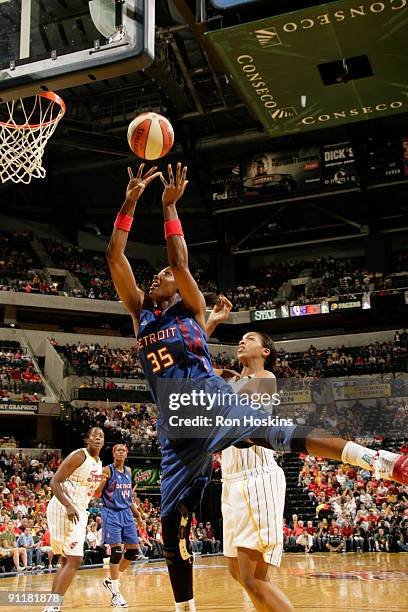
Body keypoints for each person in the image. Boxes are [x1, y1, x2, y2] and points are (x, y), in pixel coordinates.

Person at [107, 163, 408, 612]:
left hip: (209, 399)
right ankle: (184, 607)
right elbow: (115, 256)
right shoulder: (140, 313)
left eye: (162, 278)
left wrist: (169, 206)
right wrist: (130, 202)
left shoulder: (190, 309)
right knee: (171, 525)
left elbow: (178, 261)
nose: (157, 277)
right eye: (154, 277)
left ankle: (382, 461)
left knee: (279, 434)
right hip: (175, 420)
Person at [42, 428, 104, 612]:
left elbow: (95, 492)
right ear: (87, 439)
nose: (98, 438)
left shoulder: (99, 462)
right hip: (65, 508)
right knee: (75, 560)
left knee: (66, 560)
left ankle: (52, 606)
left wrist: (104, 481)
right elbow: (54, 481)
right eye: (94, 435)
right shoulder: (80, 455)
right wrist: (68, 505)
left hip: (80, 509)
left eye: (101, 436)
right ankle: (53, 605)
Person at [98, 443, 144, 608]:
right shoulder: (107, 470)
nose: (121, 452)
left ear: (126, 454)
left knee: (132, 551)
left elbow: (129, 497)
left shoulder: (129, 471)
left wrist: (138, 515)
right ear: (113, 453)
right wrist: (101, 482)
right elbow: (97, 493)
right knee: (117, 552)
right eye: (118, 450)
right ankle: (116, 594)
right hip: (111, 512)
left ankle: (111, 581)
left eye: (123, 450)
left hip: (126, 513)